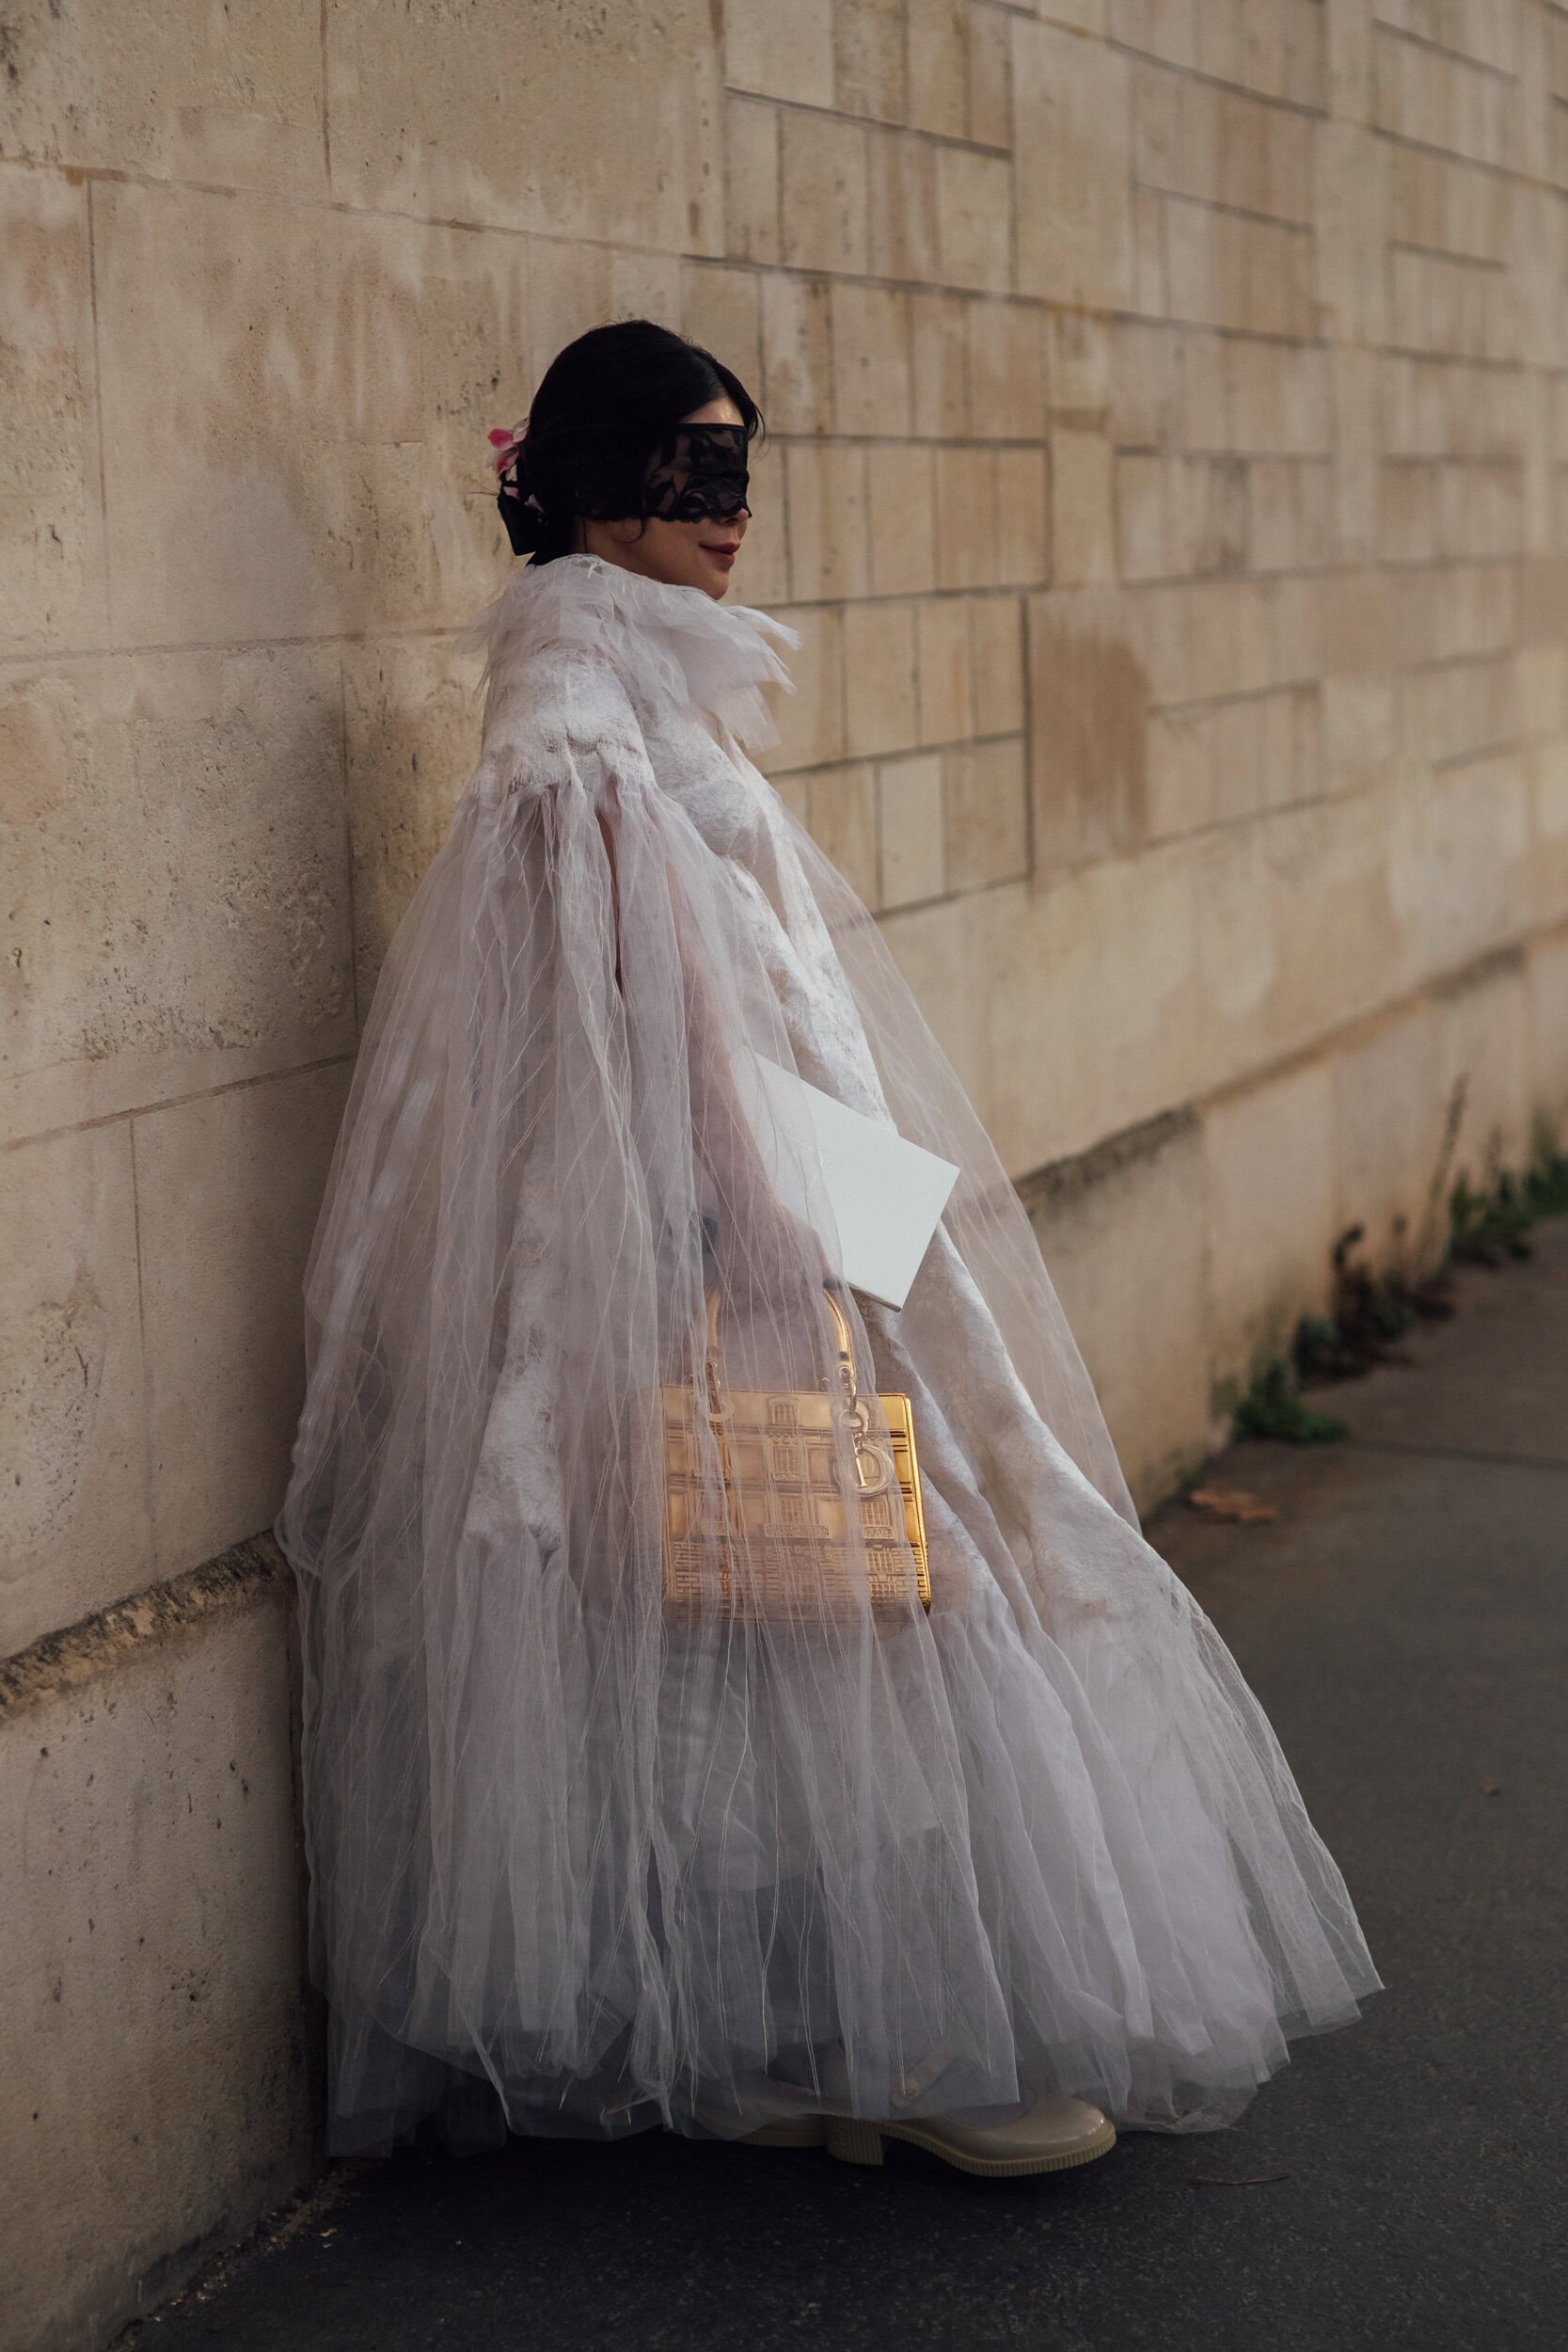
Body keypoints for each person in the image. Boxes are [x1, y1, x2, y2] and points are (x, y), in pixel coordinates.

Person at [278, 320, 1377, 2179]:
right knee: (831, 1582)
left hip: (769, 1195)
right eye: (696, 476)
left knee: (786, 1607)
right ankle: (887, 2037)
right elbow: (649, 1005)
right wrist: (778, 1232)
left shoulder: (635, 680)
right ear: (603, 486)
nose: (732, 518)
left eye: (741, 474)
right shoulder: (573, 714)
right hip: (719, 1225)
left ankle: (794, 2038)